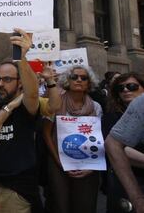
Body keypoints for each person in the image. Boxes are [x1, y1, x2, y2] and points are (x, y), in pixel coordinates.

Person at [0, 28, 42, 213]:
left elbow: (33, 91)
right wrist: (10, 106)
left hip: (18, 192)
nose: (0, 84)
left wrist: (21, 57)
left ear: (20, 83)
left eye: (7, 80)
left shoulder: (27, 105)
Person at [43, 65, 102, 213]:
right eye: (74, 77)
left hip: (88, 166)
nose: (79, 80)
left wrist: (90, 167)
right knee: (60, 204)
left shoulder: (96, 107)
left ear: (89, 83)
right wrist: (59, 161)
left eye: (84, 78)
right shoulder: (55, 103)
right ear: (67, 81)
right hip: (58, 163)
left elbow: (98, 139)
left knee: (85, 204)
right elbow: (46, 133)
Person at [102, 72, 144, 212]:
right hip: (128, 176)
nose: (126, 90)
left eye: (132, 86)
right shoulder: (112, 115)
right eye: (121, 88)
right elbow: (114, 146)